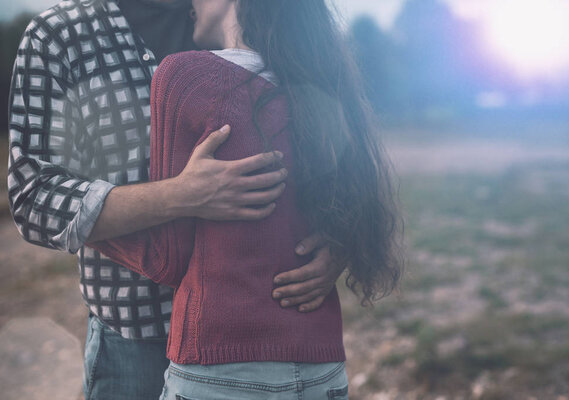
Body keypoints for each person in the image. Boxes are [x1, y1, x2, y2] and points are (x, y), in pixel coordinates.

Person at [6, 0, 346, 399]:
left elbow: (328, 139)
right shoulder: (61, 34)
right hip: (133, 344)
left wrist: (341, 239)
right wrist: (179, 196)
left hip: (254, 344)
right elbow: (32, 197)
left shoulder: (244, 17)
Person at [88, 0, 403, 399]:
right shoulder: (318, 84)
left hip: (221, 367)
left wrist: (89, 223)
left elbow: (167, 259)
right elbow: (348, 215)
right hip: (323, 370)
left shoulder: (186, 75)